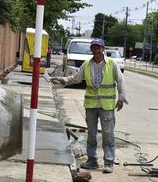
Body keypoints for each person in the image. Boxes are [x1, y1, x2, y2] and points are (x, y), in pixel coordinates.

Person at [52, 38, 127, 173]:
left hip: (107, 106)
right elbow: (75, 78)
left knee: (108, 134)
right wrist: (62, 79)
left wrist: (121, 98)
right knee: (91, 134)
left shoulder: (112, 64)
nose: (96, 50)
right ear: (91, 50)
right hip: (91, 105)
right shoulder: (86, 65)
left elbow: (120, 81)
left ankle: (109, 162)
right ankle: (92, 161)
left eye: (98, 48)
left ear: (103, 49)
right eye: (94, 48)